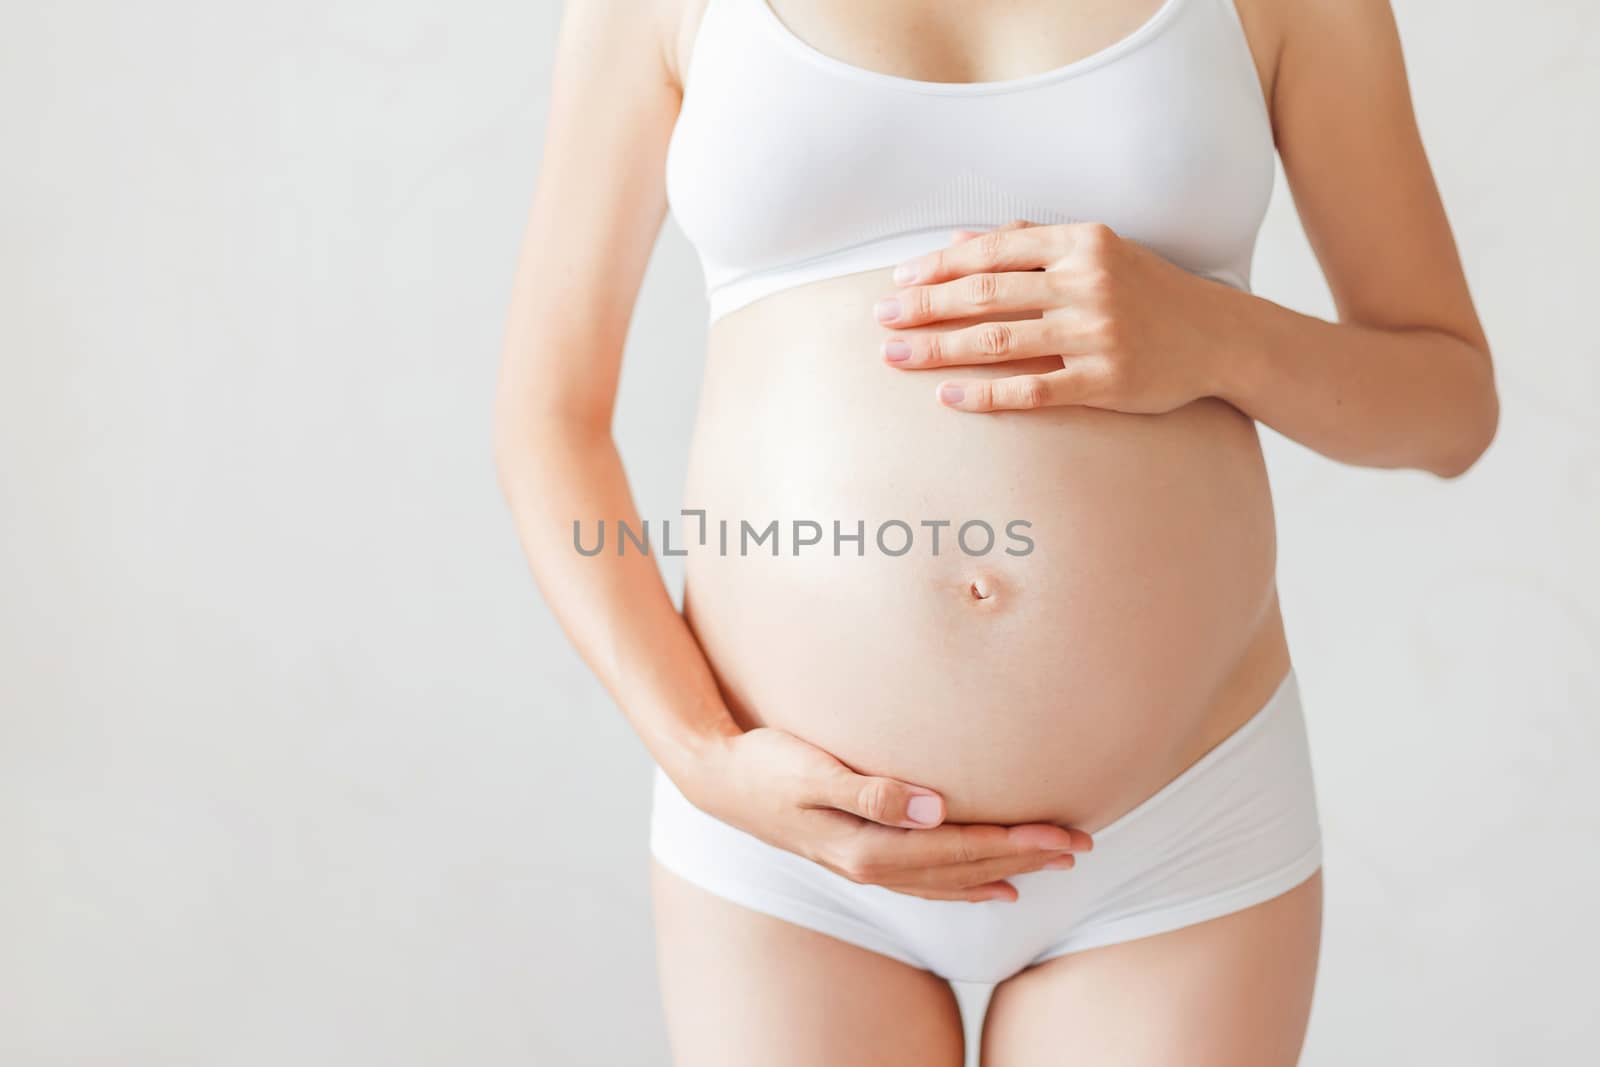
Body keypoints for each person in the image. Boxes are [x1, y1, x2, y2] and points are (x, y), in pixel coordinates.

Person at [494, 0, 1498, 1062]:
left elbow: (1449, 405)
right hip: (787, 848)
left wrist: (1215, 335)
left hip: (1174, 834)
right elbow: (546, 419)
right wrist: (703, 757)